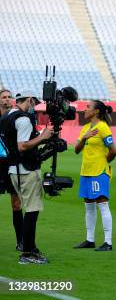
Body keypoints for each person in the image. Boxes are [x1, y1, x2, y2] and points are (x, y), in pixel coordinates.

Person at [2, 90, 53, 264]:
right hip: (25, 169)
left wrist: (40, 139)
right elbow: (23, 146)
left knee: (29, 209)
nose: (35, 108)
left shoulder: (9, 115)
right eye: (34, 103)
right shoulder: (23, 119)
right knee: (32, 210)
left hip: (14, 169)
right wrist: (44, 137)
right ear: (29, 100)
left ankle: (30, 247)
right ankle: (28, 252)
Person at [73, 100, 116, 251]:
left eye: (88, 107)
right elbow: (76, 150)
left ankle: (108, 242)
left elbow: (113, 150)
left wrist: (104, 163)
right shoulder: (86, 128)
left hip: (98, 172)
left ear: (97, 111)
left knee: (102, 204)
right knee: (88, 206)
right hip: (86, 171)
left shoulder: (103, 128)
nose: (85, 110)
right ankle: (89, 240)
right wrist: (84, 138)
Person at [0, 89, 24, 252]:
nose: (7, 100)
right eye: (4, 97)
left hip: (11, 166)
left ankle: (20, 241)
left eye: (9, 97)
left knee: (16, 204)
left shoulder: (16, 119)